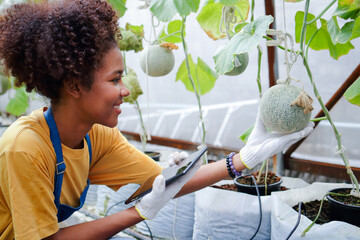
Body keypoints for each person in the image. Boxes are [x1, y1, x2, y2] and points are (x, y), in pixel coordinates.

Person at [0, 0, 314, 239]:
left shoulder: (97, 136)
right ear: (74, 86)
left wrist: (243, 159)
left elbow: (166, 183)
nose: (125, 90)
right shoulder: (25, 148)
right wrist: (137, 213)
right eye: (114, 80)